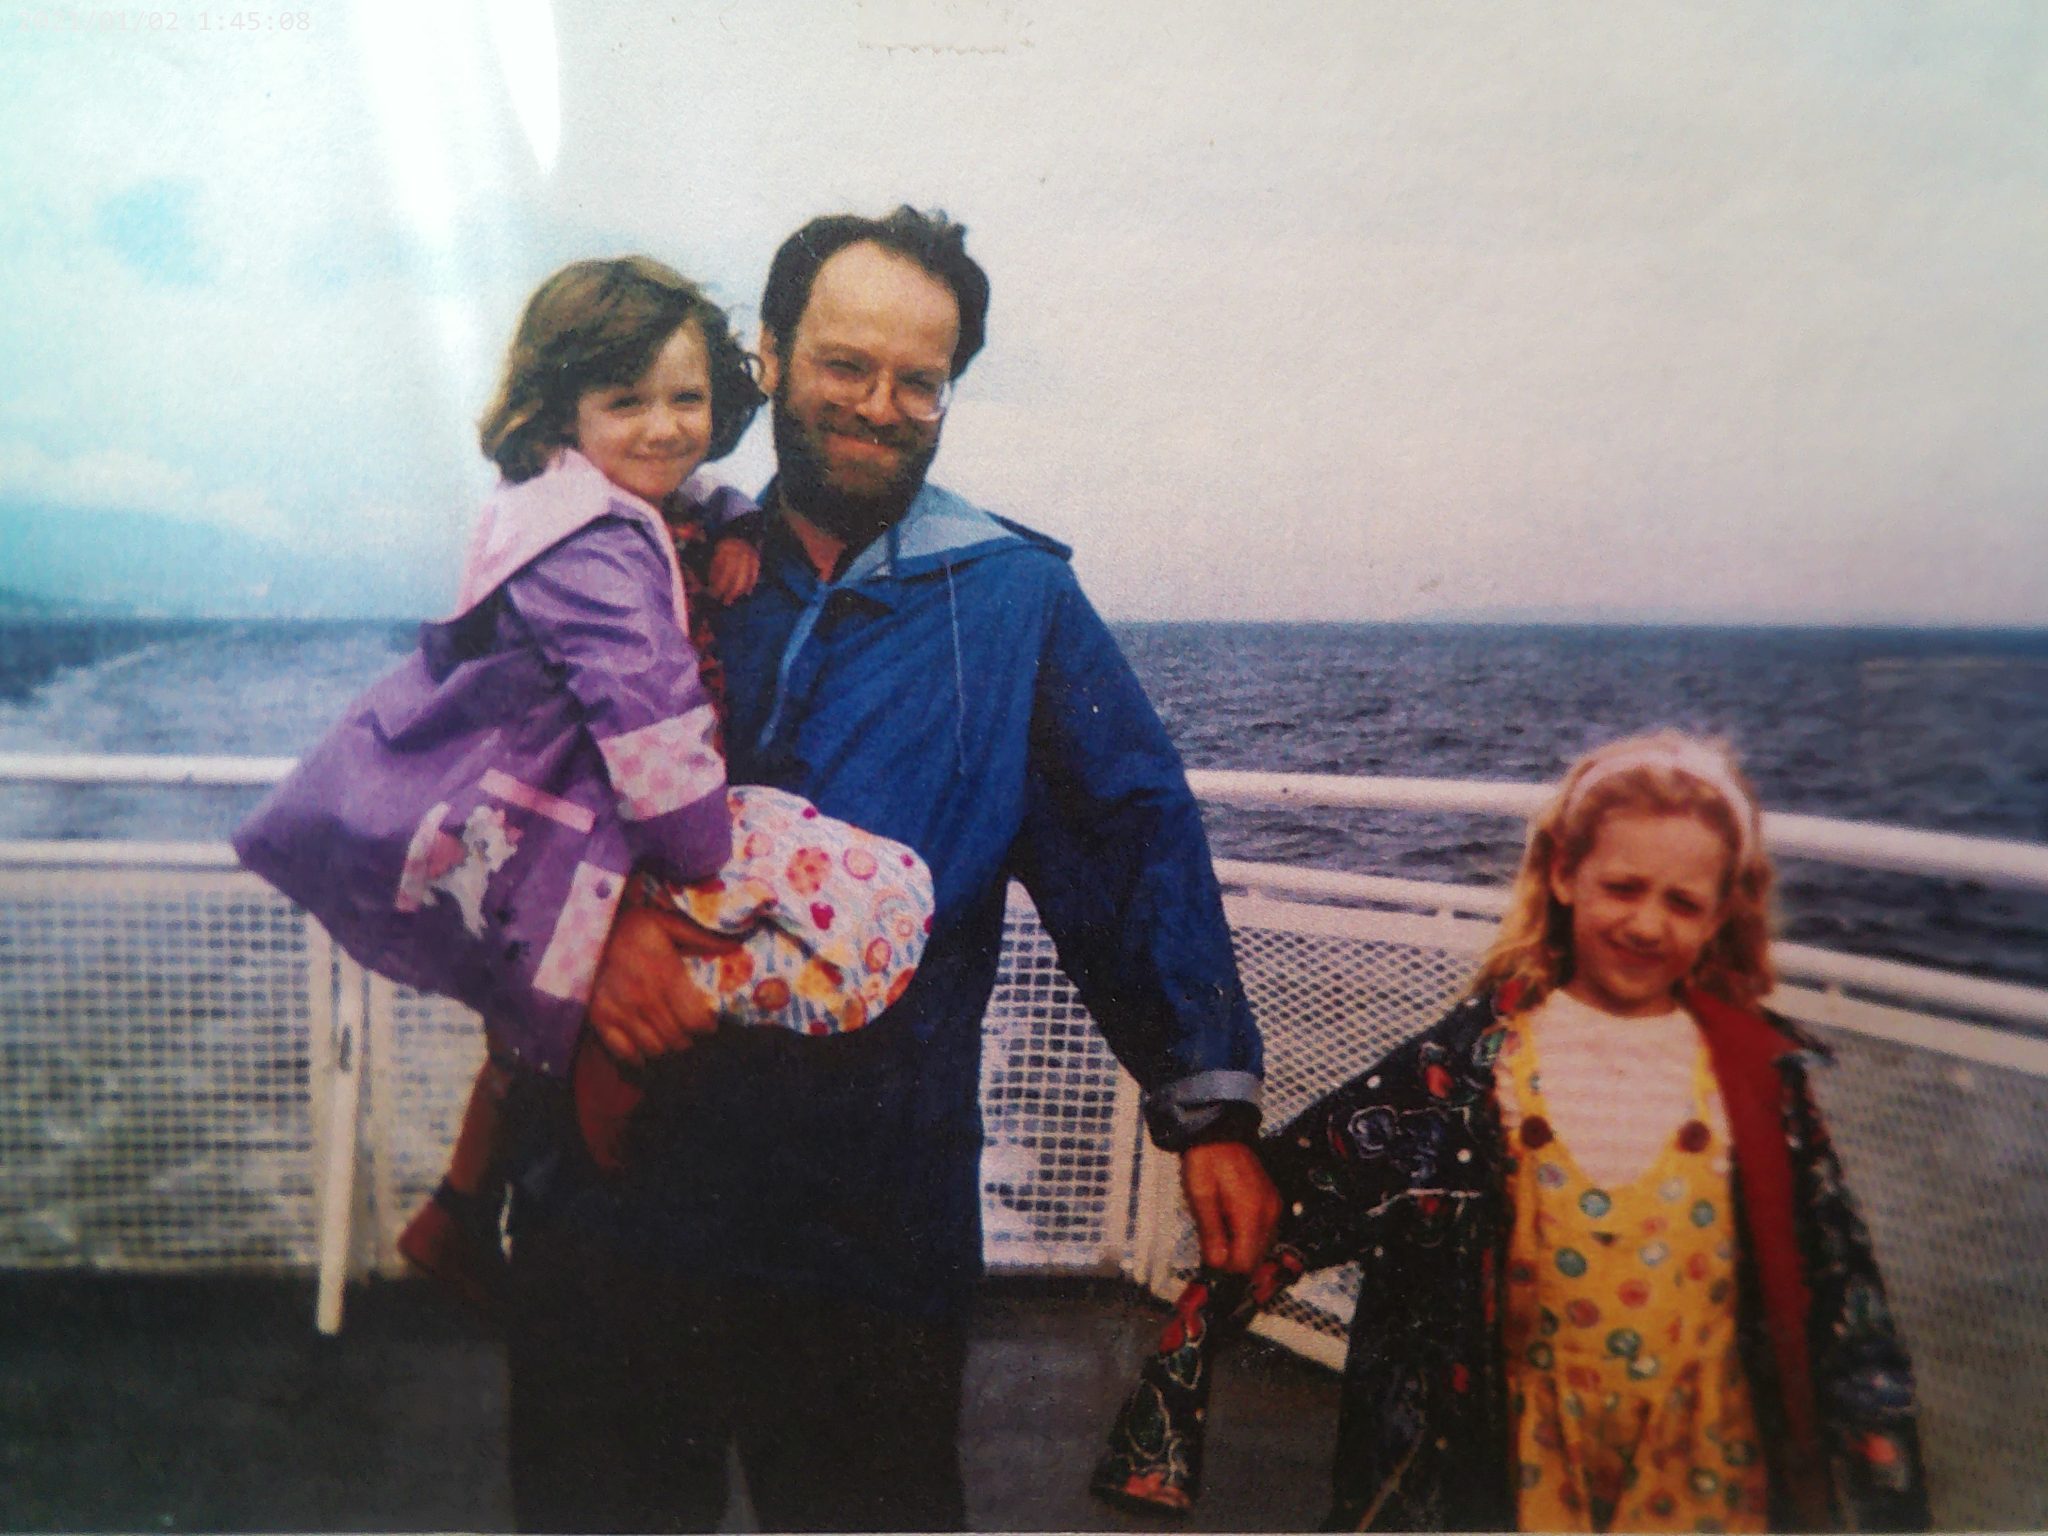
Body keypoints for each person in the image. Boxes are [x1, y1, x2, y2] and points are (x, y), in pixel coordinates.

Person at [497, 207, 1282, 1533]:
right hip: (617, 1193)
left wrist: (1210, 1113)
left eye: (919, 380)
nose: (878, 405)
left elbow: (1128, 841)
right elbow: (469, 792)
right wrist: (590, 931)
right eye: (844, 364)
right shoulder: (616, 556)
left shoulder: (1015, 600)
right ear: (768, 353)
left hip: (868, 1220)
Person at [232, 256, 934, 1308]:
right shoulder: (587, 547)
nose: (663, 428)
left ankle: (458, 1211)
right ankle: (599, 1093)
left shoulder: (594, 497)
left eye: (686, 398)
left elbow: (700, 492)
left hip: (558, 795)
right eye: (626, 402)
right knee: (802, 901)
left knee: (521, 1040)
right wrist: (699, 846)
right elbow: (644, 709)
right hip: (567, 803)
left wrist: (741, 527)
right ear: (564, 409)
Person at [1093, 731, 1929, 1532]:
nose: (1646, 923)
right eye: (1623, 888)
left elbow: (1841, 1286)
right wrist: (1173, 1391)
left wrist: (1884, 1483)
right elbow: (1301, 1195)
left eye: (1682, 902)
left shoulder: (1760, 1080)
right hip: (1517, 1465)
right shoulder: (1465, 1068)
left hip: (1708, 1468)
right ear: (1564, 874)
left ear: (1721, 913)